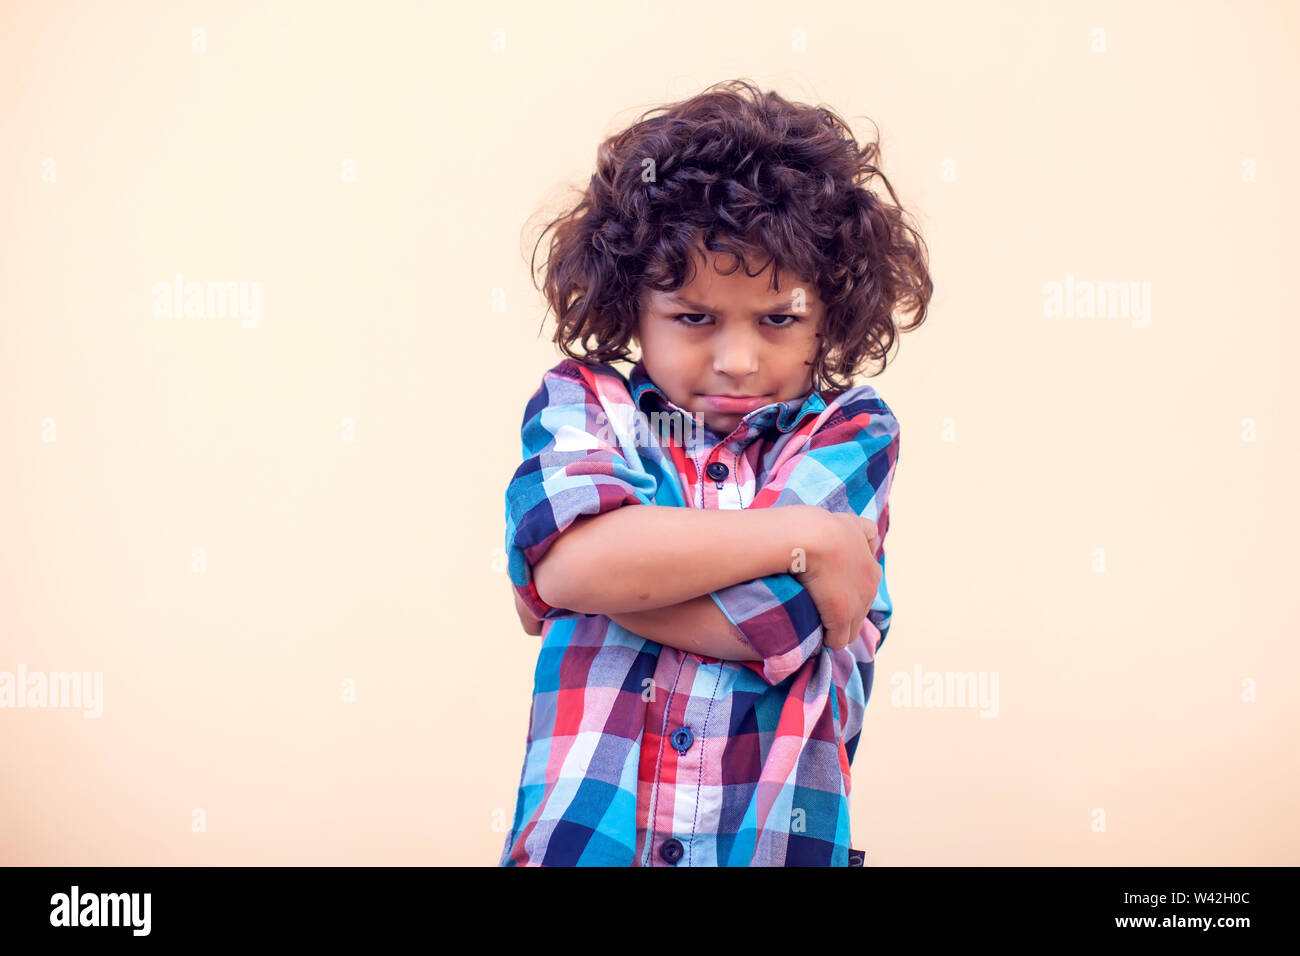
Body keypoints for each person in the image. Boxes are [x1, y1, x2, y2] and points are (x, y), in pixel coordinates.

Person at [499, 79, 931, 866]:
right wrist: (804, 534)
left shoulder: (851, 431)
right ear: (630, 306)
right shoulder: (584, 403)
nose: (737, 361)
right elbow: (578, 566)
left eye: (778, 320)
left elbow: (773, 619)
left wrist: (589, 573)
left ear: (829, 314)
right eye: (694, 318)